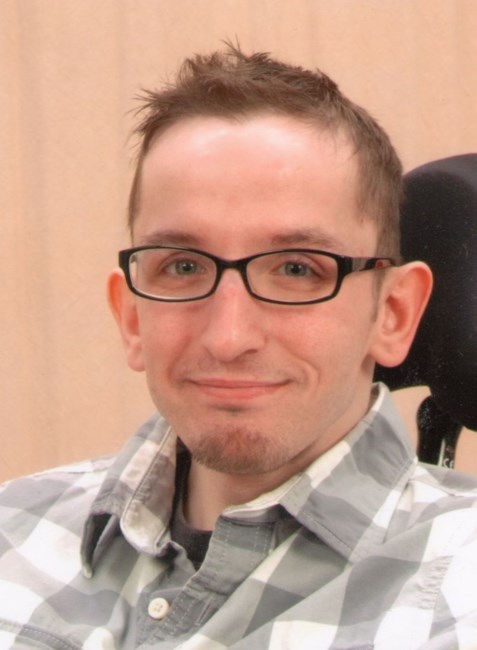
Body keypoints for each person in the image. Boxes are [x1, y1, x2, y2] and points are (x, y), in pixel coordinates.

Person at [0, 44, 476, 650]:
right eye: (183, 266)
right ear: (131, 315)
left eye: (298, 269)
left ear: (394, 313)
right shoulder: (12, 533)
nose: (229, 338)